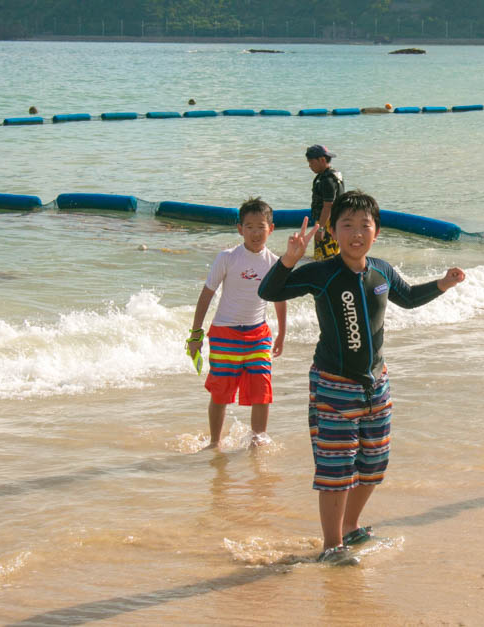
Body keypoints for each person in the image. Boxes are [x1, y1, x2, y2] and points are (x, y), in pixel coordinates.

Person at [258, 190, 465, 564]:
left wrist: (443, 284)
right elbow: (270, 290)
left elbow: (409, 298)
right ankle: (331, 545)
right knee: (336, 470)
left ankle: (352, 527)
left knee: (374, 464)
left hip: (376, 383)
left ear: (377, 231)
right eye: (347, 225)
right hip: (334, 386)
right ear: (333, 232)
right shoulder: (322, 273)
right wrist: (288, 260)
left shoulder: (381, 271)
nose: (356, 233)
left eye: (363, 226)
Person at [187, 197, 287, 450]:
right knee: (220, 392)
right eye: (249, 226)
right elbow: (207, 294)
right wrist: (195, 334)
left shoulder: (274, 263)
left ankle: (258, 440)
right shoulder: (227, 257)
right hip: (224, 333)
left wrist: (282, 334)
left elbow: (279, 300)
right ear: (240, 229)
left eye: (261, 227)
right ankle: (214, 442)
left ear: (271, 229)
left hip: (258, 333)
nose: (255, 233)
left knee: (262, 389)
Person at [306, 144, 345, 261]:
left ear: (322, 160)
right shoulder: (334, 175)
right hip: (334, 221)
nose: (309, 166)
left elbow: (328, 206)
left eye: (311, 162)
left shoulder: (327, 180)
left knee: (324, 258)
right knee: (333, 254)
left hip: (327, 223)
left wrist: (321, 229)